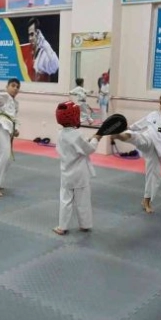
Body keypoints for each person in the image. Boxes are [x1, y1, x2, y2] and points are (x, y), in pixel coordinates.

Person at [53, 101, 101, 236]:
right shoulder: (77, 134)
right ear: (74, 116)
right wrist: (96, 139)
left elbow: (79, 145)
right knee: (83, 200)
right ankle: (85, 225)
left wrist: (90, 140)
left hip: (66, 172)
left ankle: (62, 227)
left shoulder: (60, 134)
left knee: (65, 200)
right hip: (80, 173)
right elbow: (89, 149)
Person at [27, 18, 59, 82]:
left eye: (32, 34)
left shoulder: (44, 55)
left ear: (38, 33)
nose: (30, 38)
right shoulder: (29, 53)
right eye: (29, 35)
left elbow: (55, 66)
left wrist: (45, 44)